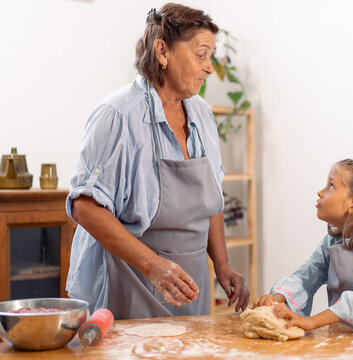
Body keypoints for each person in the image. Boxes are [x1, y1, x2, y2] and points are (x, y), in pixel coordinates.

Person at [66, 3, 249, 319]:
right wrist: (153, 266)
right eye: (201, 54)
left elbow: (213, 199)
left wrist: (222, 266)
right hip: (131, 283)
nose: (209, 68)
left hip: (189, 289)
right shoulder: (119, 115)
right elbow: (85, 206)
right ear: (162, 52)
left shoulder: (202, 114)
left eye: (211, 56)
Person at [254, 159, 353, 333]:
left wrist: (313, 322)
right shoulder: (332, 241)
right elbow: (305, 277)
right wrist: (279, 298)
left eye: (331, 186)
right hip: (341, 335)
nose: (320, 192)